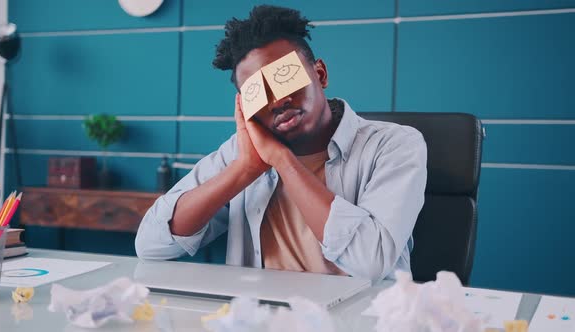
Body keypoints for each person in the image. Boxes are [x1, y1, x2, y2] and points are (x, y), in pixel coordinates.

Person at [135, 5, 427, 283]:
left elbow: (371, 261)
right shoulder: (242, 153)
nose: (278, 100)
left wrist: (283, 161)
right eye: (257, 94)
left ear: (320, 74)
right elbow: (151, 244)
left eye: (285, 78)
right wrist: (245, 169)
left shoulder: (394, 145)